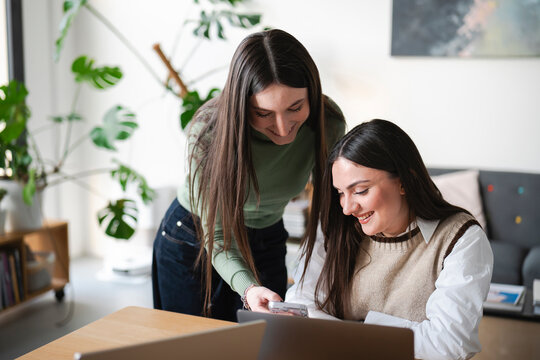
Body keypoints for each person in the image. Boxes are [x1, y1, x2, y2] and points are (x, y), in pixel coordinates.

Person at [152, 29, 346, 321]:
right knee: (191, 346)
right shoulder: (207, 134)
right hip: (195, 238)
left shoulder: (327, 123)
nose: (283, 128)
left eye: (295, 107)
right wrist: (248, 288)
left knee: (265, 343)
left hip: (266, 237)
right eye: (264, 113)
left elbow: (333, 207)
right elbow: (216, 235)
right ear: (242, 105)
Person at [286, 119, 493, 359]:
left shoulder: (461, 238)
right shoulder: (337, 226)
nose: (347, 207)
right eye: (340, 193)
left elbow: (448, 345)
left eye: (361, 190)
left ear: (405, 181)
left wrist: (356, 328)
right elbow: (300, 308)